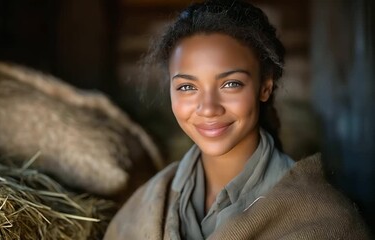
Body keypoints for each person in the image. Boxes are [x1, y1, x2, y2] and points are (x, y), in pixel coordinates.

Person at [104, 0, 369, 239]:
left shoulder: (326, 222)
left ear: (265, 86)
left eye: (230, 84)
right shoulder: (147, 205)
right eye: (187, 87)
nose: (208, 108)